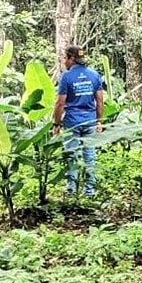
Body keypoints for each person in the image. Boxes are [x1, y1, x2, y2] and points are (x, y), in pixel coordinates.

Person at [52, 46, 105, 197]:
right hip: (89, 120)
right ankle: (90, 191)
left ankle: (71, 191)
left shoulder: (66, 77)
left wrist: (56, 124)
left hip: (72, 122)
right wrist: (99, 121)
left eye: (65, 58)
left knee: (71, 155)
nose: (64, 62)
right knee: (90, 156)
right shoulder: (94, 75)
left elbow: (60, 103)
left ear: (72, 59)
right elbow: (100, 102)